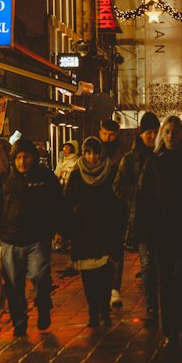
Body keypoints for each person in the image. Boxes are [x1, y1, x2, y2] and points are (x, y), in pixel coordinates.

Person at [134, 115, 182, 346]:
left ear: (181, 135)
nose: (170, 136)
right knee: (165, 280)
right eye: (167, 132)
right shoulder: (154, 162)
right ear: (161, 135)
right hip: (161, 231)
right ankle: (170, 328)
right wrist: (141, 230)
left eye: (174, 132)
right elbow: (144, 198)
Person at [0, 136, 62, 338]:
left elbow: (58, 204)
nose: (22, 162)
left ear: (33, 158)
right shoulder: (5, 177)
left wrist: (60, 229)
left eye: (26, 157)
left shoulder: (45, 177)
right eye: (18, 158)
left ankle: (43, 305)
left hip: (38, 237)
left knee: (39, 275)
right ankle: (19, 321)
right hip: (10, 237)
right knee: (13, 283)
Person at [64, 136, 126, 327]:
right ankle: (93, 311)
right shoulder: (76, 176)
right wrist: (67, 229)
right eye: (88, 153)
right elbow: (68, 203)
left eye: (95, 153)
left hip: (106, 231)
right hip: (84, 233)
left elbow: (119, 203)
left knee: (106, 274)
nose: (92, 157)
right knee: (89, 276)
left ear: (101, 154)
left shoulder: (111, 172)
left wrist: (120, 228)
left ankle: (104, 310)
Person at [115, 111, 160, 324]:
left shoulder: (164, 155)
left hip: (165, 218)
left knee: (165, 265)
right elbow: (118, 187)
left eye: (154, 132)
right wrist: (139, 192)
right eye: (148, 133)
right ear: (141, 134)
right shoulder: (130, 159)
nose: (151, 137)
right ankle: (152, 307)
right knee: (148, 265)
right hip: (143, 219)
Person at [98, 119, 125, 308]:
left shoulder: (122, 153)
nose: (108, 138)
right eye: (105, 134)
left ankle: (115, 288)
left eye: (112, 134)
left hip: (117, 208)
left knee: (116, 250)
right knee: (99, 250)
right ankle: (102, 288)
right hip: (97, 210)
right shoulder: (93, 150)